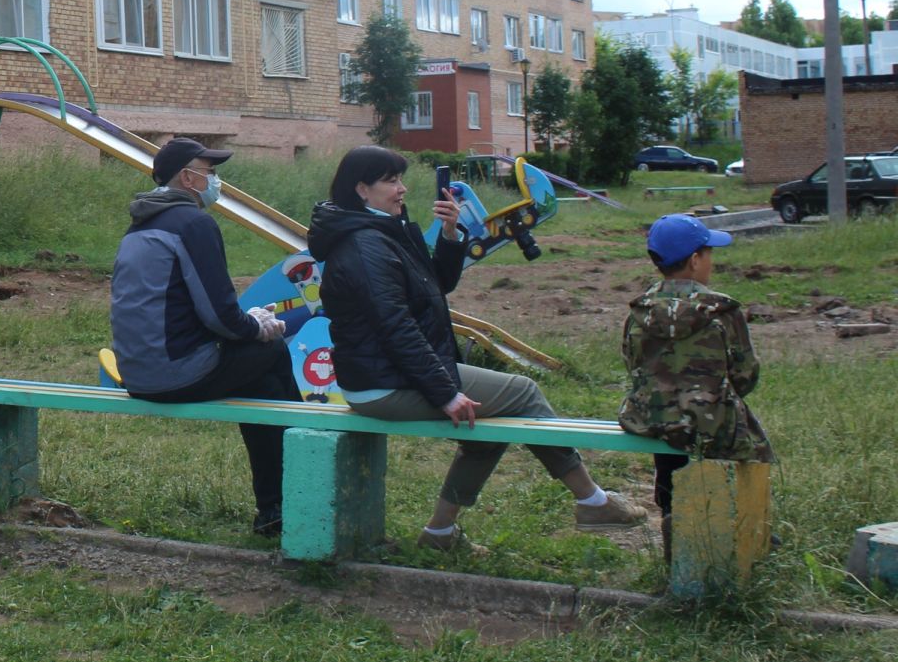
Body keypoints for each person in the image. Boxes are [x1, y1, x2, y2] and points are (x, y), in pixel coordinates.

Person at [307, 144, 644, 555]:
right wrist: (445, 393)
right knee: (522, 392)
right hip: (384, 383)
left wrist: (449, 236)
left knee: (487, 429)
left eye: (400, 179)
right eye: (391, 181)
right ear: (362, 189)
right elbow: (396, 328)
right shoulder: (365, 245)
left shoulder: (378, 229)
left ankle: (440, 534)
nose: (402, 189)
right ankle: (592, 501)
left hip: (386, 373)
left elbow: (436, 286)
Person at [109, 138, 300, 535]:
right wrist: (259, 326)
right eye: (210, 172)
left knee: (263, 386)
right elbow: (220, 317)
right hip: (176, 373)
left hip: (137, 374)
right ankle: (300, 482)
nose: (215, 180)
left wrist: (246, 325)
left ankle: (278, 507)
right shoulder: (193, 223)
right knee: (274, 349)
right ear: (188, 177)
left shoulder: (139, 225)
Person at [620, 214, 774, 558]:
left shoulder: (639, 311)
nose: (711, 261)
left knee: (670, 418)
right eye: (708, 254)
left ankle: (672, 506)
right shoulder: (722, 311)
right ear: (694, 260)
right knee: (742, 437)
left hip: (650, 417)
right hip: (712, 421)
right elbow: (745, 374)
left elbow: (632, 364)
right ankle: (743, 525)